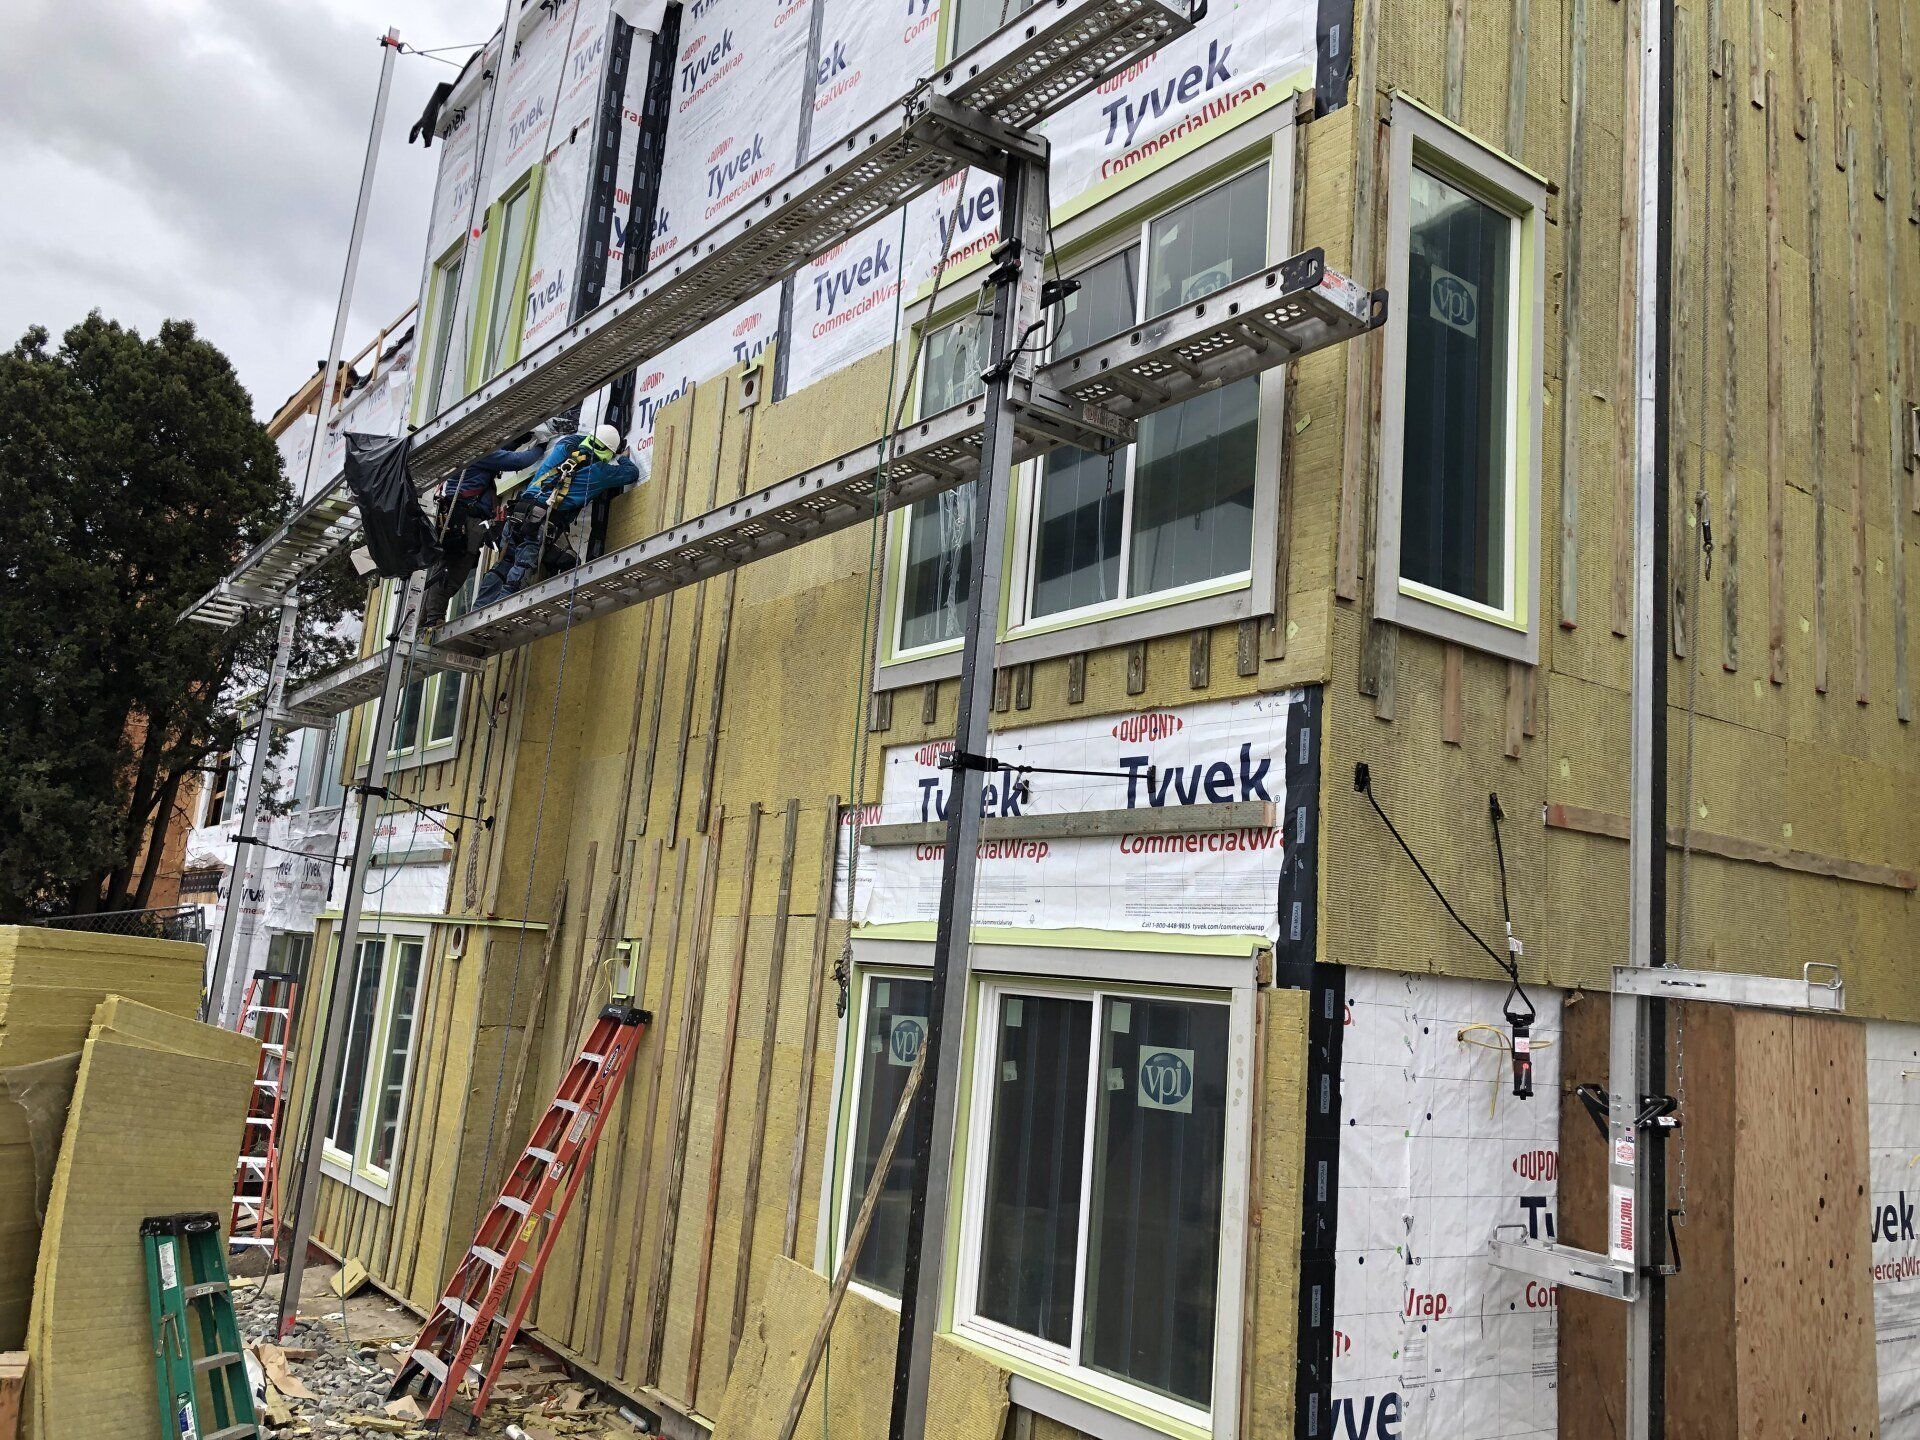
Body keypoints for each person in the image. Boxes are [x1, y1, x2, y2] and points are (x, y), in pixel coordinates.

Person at [473, 424, 640, 607]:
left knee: (504, 563)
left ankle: (479, 607)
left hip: (518, 514)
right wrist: (620, 457)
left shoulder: (564, 447)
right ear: (608, 452)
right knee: (523, 566)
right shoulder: (600, 472)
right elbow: (631, 473)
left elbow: (575, 440)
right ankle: (500, 609)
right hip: (540, 522)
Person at [421, 437, 545, 626]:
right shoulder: (477, 453)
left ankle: (429, 617)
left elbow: (500, 451)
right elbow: (519, 461)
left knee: (448, 566)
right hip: (466, 520)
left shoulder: (469, 452)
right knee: (454, 568)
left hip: (458, 517)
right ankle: (433, 618)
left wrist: (520, 438)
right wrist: (541, 445)